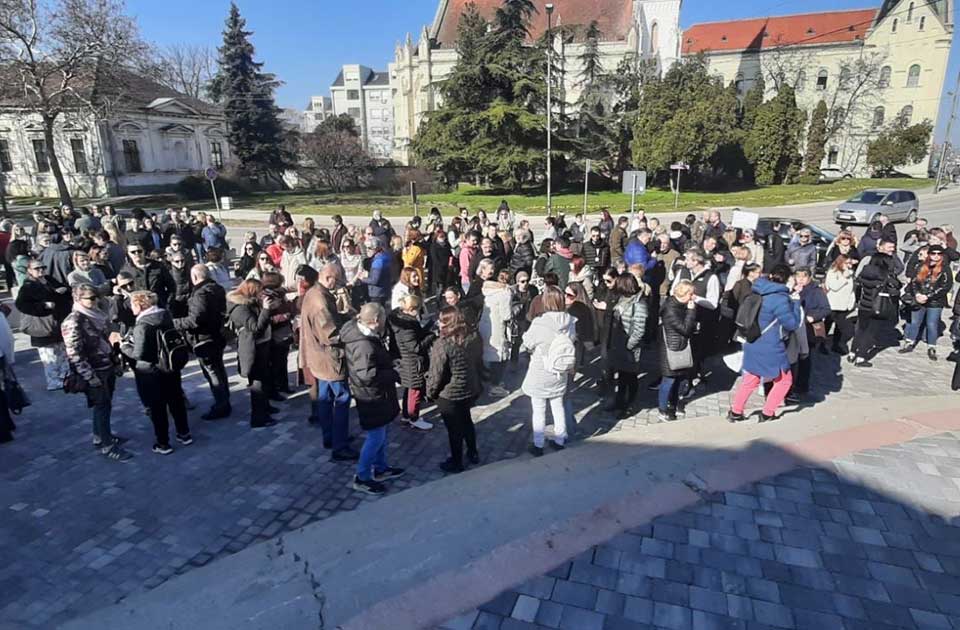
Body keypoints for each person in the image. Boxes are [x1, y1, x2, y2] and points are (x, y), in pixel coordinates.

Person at [340, 303, 405, 495]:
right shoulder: (363, 344)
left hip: (377, 394)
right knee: (376, 437)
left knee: (381, 433)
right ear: (376, 321)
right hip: (371, 396)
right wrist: (393, 373)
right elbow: (366, 375)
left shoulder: (362, 333)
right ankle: (362, 477)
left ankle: (381, 469)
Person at [61, 284, 131, 460]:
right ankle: (107, 446)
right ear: (78, 299)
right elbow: (74, 353)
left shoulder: (97, 315)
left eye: (96, 297)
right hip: (94, 370)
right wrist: (89, 376)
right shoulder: (73, 321)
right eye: (91, 298)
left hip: (106, 364)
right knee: (101, 405)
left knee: (105, 404)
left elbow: (106, 340)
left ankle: (99, 436)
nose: (95, 300)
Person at [120, 290, 192, 453]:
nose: (131, 307)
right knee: (176, 401)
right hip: (171, 366)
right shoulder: (165, 315)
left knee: (157, 408)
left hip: (151, 372)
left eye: (132, 304)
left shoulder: (143, 324)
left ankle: (163, 443)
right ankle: (184, 434)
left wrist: (124, 346)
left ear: (139, 304)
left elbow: (140, 354)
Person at [728, 265, 801, 423]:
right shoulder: (780, 299)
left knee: (751, 377)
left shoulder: (757, 289)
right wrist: (795, 303)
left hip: (752, 341)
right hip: (771, 346)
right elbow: (792, 324)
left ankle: (735, 411)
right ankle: (768, 413)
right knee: (784, 380)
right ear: (787, 280)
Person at [300, 263, 357, 460]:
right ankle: (339, 446)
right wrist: (353, 328)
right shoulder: (320, 302)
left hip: (318, 359)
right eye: (338, 280)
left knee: (325, 399)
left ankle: (330, 437)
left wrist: (342, 315)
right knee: (342, 400)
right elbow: (331, 334)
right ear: (329, 278)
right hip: (330, 359)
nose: (339, 284)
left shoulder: (314, 292)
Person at [521, 286, 576, 456]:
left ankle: (538, 444)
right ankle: (560, 439)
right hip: (560, 371)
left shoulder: (540, 322)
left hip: (541, 371)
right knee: (557, 405)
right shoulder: (570, 321)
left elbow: (528, 343)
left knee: (538, 409)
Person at [174, 264, 231, 420]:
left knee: (212, 372)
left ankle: (221, 404)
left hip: (204, 339)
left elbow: (195, 320)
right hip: (216, 335)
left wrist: (175, 323)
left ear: (194, 277)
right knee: (218, 369)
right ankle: (224, 400)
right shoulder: (216, 288)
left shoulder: (201, 294)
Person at [227, 279, 279, 428]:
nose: (262, 294)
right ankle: (258, 418)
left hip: (263, 345)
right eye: (259, 291)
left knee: (264, 378)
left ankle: (266, 407)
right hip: (252, 349)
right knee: (257, 384)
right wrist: (266, 309)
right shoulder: (240, 308)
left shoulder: (251, 303)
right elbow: (255, 328)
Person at [16, 258, 71, 390]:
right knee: (49, 355)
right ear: (29, 271)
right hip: (41, 325)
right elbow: (21, 304)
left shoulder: (49, 280)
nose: (41, 270)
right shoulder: (28, 286)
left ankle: (66, 377)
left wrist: (63, 291)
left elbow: (63, 292)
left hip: (57, 322)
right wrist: (42, 305)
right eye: (37, 268)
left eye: (43, 267)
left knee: (62, 352)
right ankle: (53, 381)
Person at [850, 239, 902, 367]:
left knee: (860, 329)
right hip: (878, 306)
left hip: (864, 304)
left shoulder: (865, 272)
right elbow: (895, 288)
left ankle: (852, 353)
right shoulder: (885, 276)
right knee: (870, 332)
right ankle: (861, 357)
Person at [388, 294, 435, 431]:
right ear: (412, 309)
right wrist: (430, 336)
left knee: (409, 388)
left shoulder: (400, 319)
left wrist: (428, 327)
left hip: (406, 360)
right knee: (415, 390)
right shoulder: (406, 326)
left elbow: (417, 335)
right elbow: (416, 347)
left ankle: (406, 415)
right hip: (412, 361)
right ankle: (413, 417)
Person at [604, 273, 648, 418]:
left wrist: (629, 345)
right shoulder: (623, 299)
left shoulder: (639, 304)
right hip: (619, 344)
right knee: (622, 376)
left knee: (630, 377)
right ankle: (619, 401)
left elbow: (639, 330)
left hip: (629, 348)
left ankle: (629, 405)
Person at [900, 244, 953, 360]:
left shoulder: (945, 269)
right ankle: (909, 342)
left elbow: (945, 286)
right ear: (929, 254)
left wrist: (928, 296)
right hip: (919, 299)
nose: (936, 256)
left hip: (935, 301)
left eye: (939, 254)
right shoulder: (922, 266)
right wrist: (918, 294)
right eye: (933, 253)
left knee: (932, 324)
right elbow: (914, 281)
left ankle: (932, 346)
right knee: (915, 322)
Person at [658, 280, 698, 422]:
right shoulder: (671, 309)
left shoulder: (681, 305)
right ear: (685, 294)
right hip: (672, 349)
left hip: (681, 347)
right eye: (691, 294)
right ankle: (663, 409)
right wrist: (691, 311)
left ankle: (673, 405)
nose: (693, 297)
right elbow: (685, 328)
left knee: (678, 380)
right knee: (668, 381)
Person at [792, 268, 832, 395]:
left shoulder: (816, 291)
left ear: (809, 277)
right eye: (798, 277)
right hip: (794, 327)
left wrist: (813, 317)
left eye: (804, 277)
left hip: (809, 328)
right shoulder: (792, 289)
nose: (801, 280)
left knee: (806, 358)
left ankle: (802, 385)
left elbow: (826, 309)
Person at [479, 268, 513, 397]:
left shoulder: (486, 290)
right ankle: (495, 385)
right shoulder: (505, 293)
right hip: (498, 327)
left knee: (488, 353)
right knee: (500, 356)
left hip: (485, 324)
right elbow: (506, 315)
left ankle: (491, 380)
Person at [121, 242, 176, 308]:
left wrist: (168, 303)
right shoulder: (126, 270)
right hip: (140, 308)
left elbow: (171, 286)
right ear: (128, 254)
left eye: (139, 251)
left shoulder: (158, 266)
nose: (137, 254)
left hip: (159, 305)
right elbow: (124, 291)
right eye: (133, 252)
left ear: (144, 251)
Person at [824, 255, 857, 355]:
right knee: (827, 324)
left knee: (840, 327)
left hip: (844, 305)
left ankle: (836, 344)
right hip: (833, 304)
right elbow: (834, 286)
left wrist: (852, 302)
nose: (849, 265)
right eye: (846, 263)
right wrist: (844, 277)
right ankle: (822, 344)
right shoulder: (833, 272)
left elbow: (851, 290)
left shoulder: (849, 273)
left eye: (850, 263)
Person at [362, 236, 393, 306]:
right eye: (366, 247)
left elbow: (374, 280)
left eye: (369, 248)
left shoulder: (378, 261)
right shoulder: (385, 256)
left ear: (376, 248)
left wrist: (362, 278)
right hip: (384, 291)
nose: (367, 250)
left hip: (376, 294)